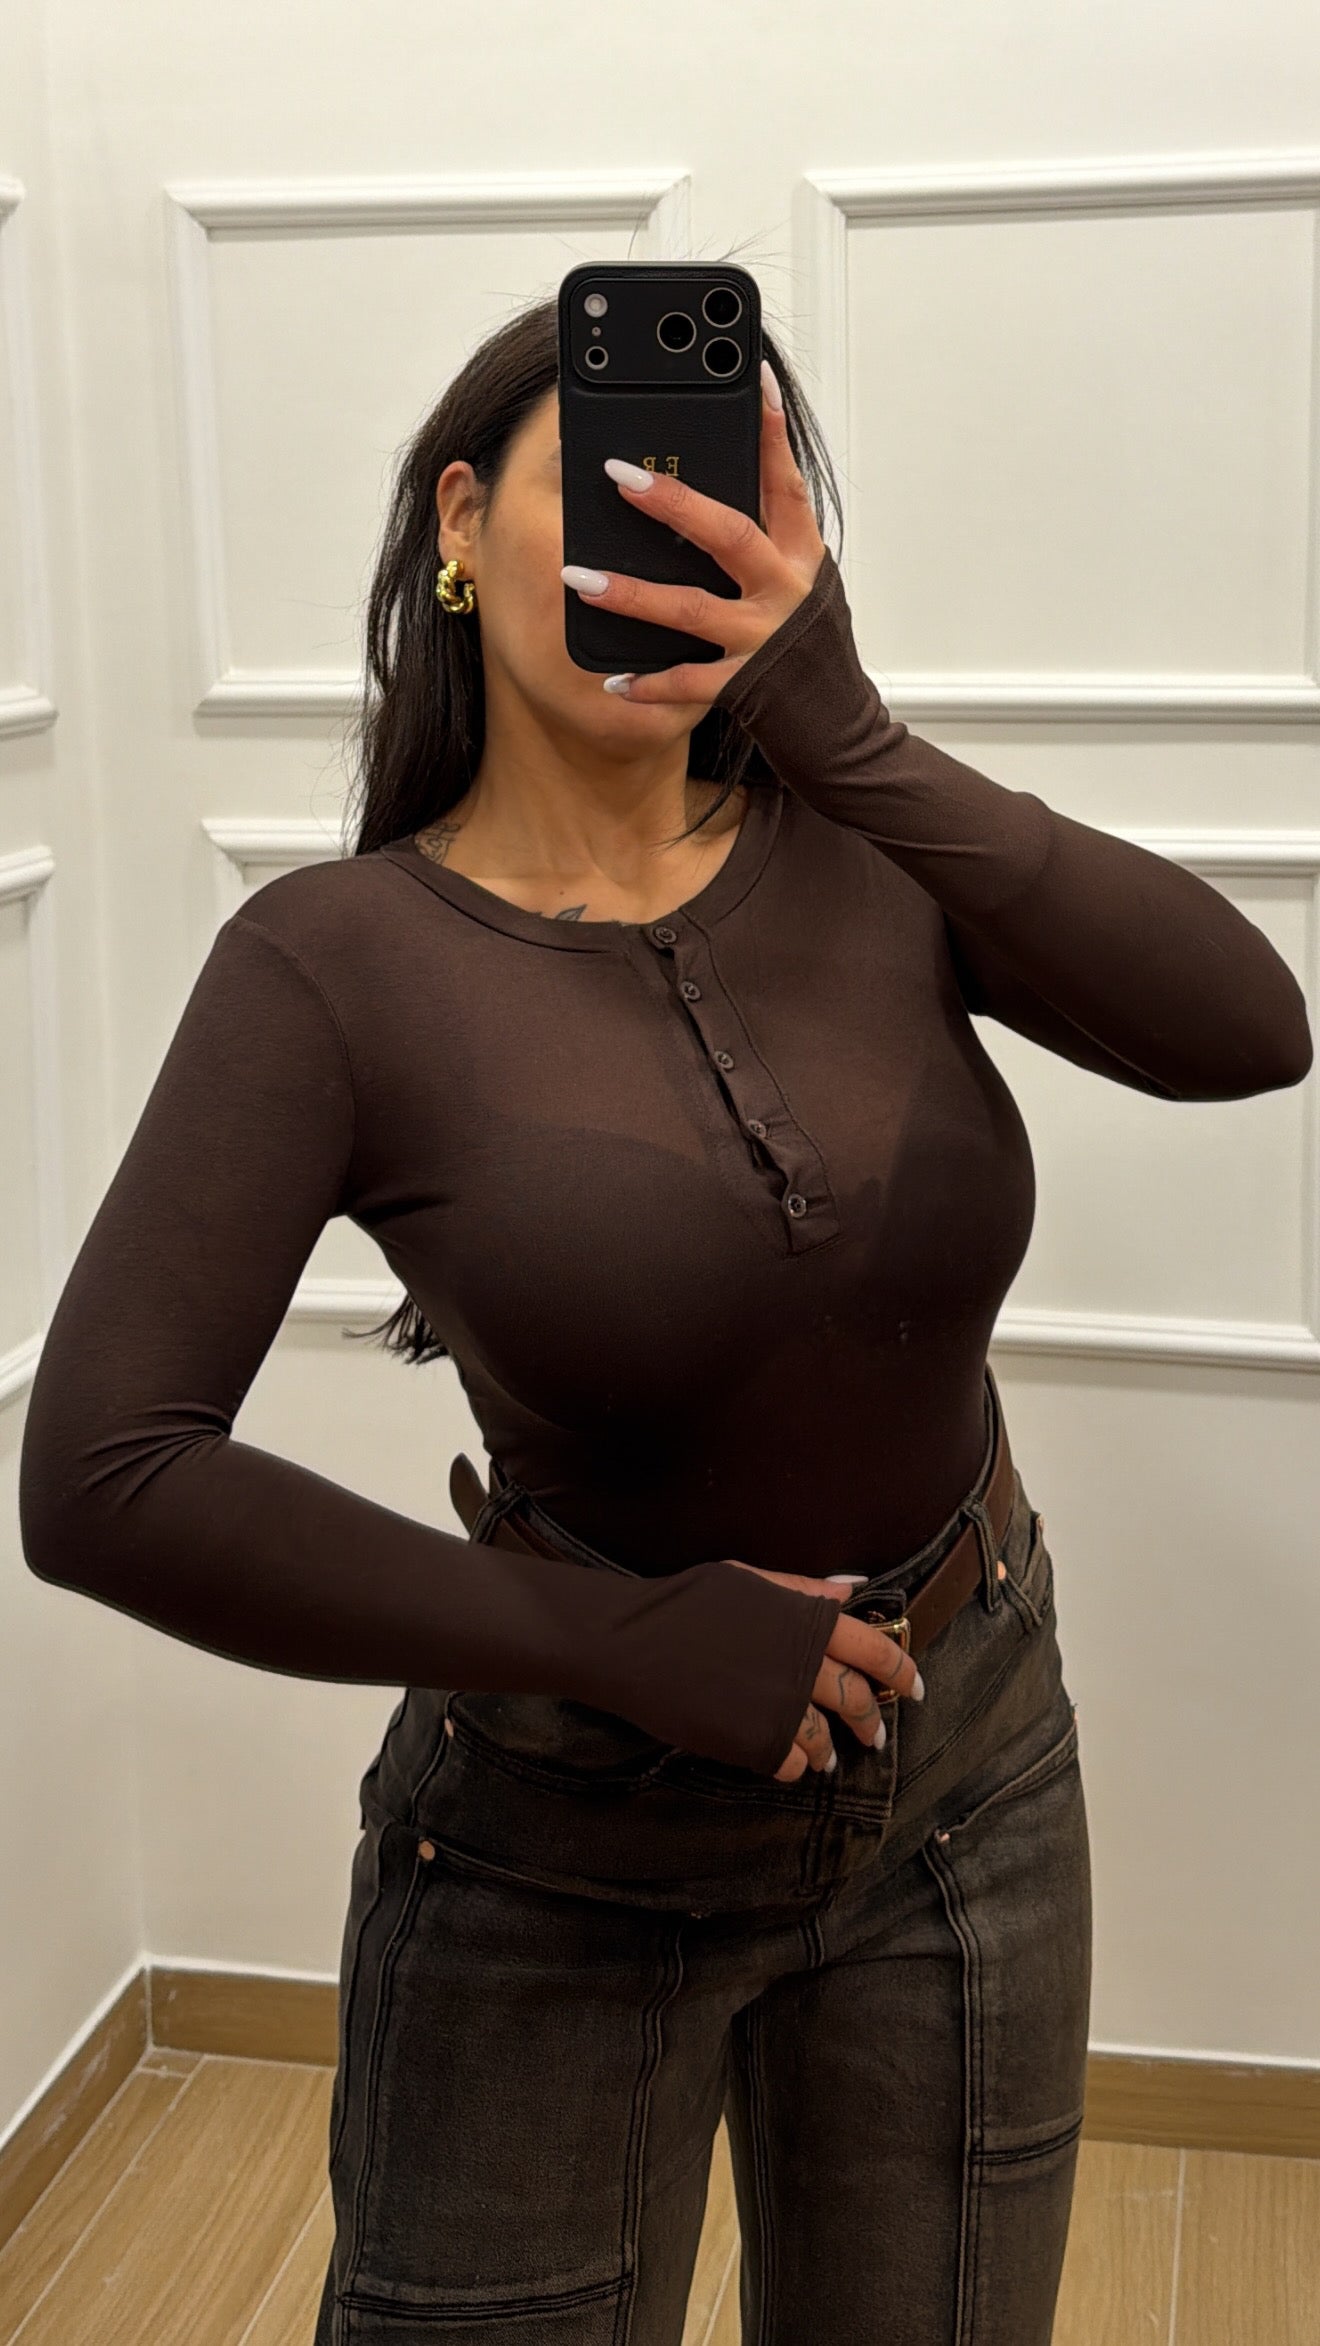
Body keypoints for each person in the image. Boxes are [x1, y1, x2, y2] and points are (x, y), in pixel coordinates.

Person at [18, 289, 1312, 2346]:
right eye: (610, 487)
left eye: (718, 495)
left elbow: (1251, 1029)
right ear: (461, 523)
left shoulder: (875, 848)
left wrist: (856, 736)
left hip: (971, 1775)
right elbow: (102, 1475)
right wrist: (620, 1641)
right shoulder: (333, 965)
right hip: (557, 1848)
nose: (668, 538)